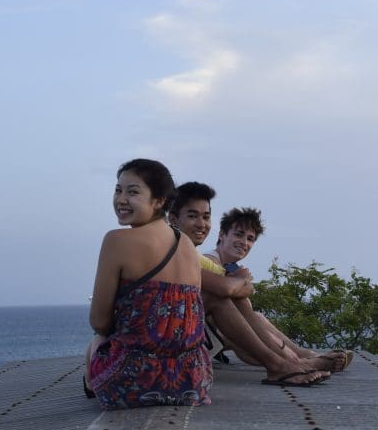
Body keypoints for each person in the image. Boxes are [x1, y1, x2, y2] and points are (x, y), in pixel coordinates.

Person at [168, 186, 350, 386]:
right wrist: (239, 281)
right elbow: (226, 289)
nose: (201, 223)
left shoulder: (189, 251)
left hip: (192, 328)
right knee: (226, 304)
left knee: (241, 308)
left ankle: (294, 359)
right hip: (176, 332)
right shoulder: (186, 252)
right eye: (192, 216)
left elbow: (244, 289)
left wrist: (239, 282)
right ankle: (290, 362)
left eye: (206, 217)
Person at [84, 159, 212, 408]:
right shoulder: (186, 244)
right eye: (118, 190)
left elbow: (99, 321)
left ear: (159, 201)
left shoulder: (116, 240)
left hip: (133, 383)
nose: (121, 199)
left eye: (133, 192)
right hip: (192, 383)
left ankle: (91, 383)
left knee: (97, 339)